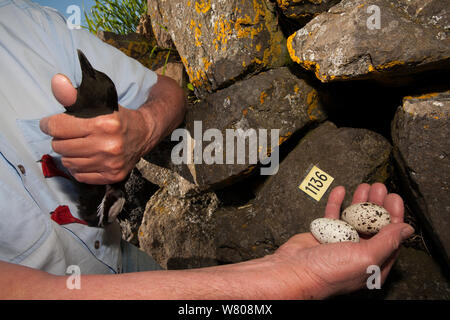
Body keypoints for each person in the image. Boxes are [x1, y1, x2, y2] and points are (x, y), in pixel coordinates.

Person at [0, 0, 414, 299]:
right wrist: (281, 282)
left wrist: (143, 127)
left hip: (130, 261)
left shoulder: (27, 26)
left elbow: (165, 89)